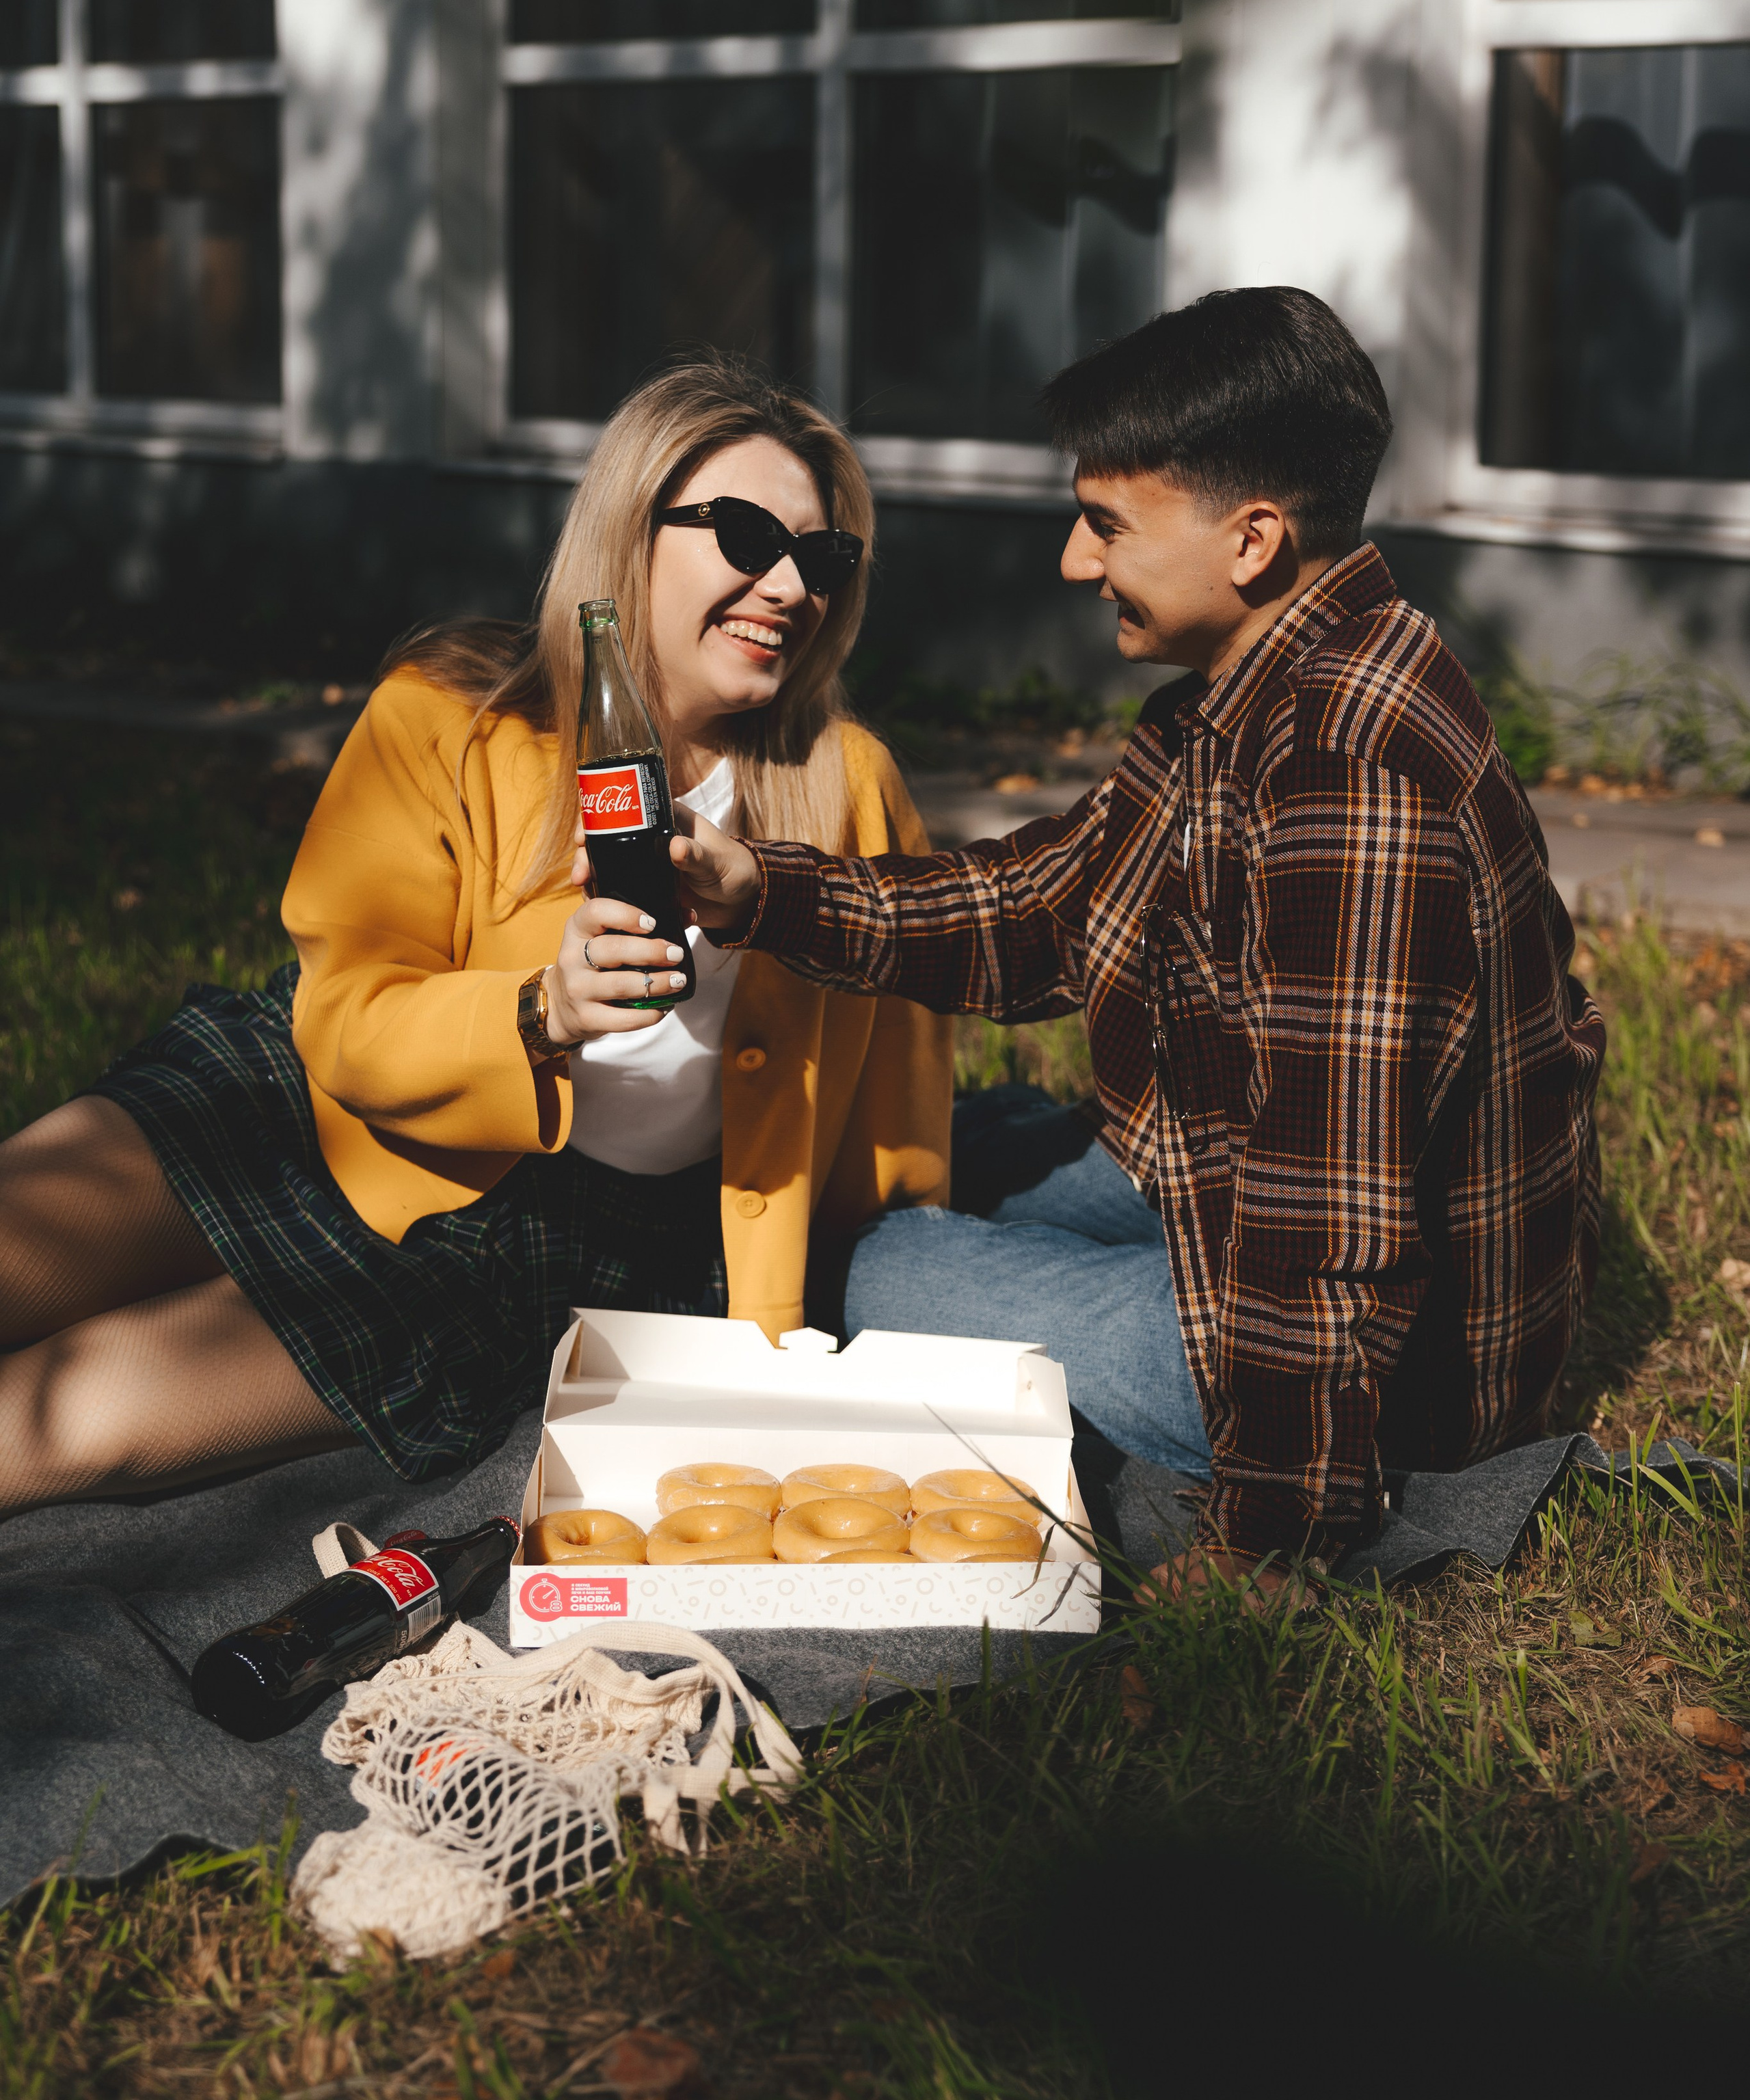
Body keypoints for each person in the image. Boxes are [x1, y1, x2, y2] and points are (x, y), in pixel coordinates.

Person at [673, 289, 1606, 1594]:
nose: (1073, 558)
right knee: (961, 1134)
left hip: (1387, 1377)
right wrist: (760, 893)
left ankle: (1278, 1462)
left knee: (868, 1258)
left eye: (1107, 523)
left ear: (1252, 539)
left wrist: (1273, 1541)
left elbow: (1329, 1219)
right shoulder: (1243, 699)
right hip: (1241, 1162)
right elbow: (1041, 908)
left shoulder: (1347, 775)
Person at [0, 360, 951, 1518]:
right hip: (309, 1105)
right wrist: (535, 1013)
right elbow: (346, 1015)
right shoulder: (455, 713)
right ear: (630, 530)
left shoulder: (845, 788)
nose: (790, 585)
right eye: (749, 534)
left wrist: (884, 1298)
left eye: (822, 555)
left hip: (524, 1243)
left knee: (63, 1426)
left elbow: (900, 1085)